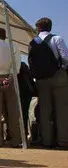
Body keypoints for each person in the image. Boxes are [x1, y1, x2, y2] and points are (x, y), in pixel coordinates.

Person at [28, 17, 68, 148]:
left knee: (45, 111)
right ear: (50, 27)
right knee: (62, 110)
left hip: (41, 80)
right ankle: (63, 141)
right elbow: (65, 58)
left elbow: (31, 62)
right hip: (59, 77)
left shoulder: (33, 42)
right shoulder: (57, 39)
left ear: (38, 28)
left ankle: (47, 141)